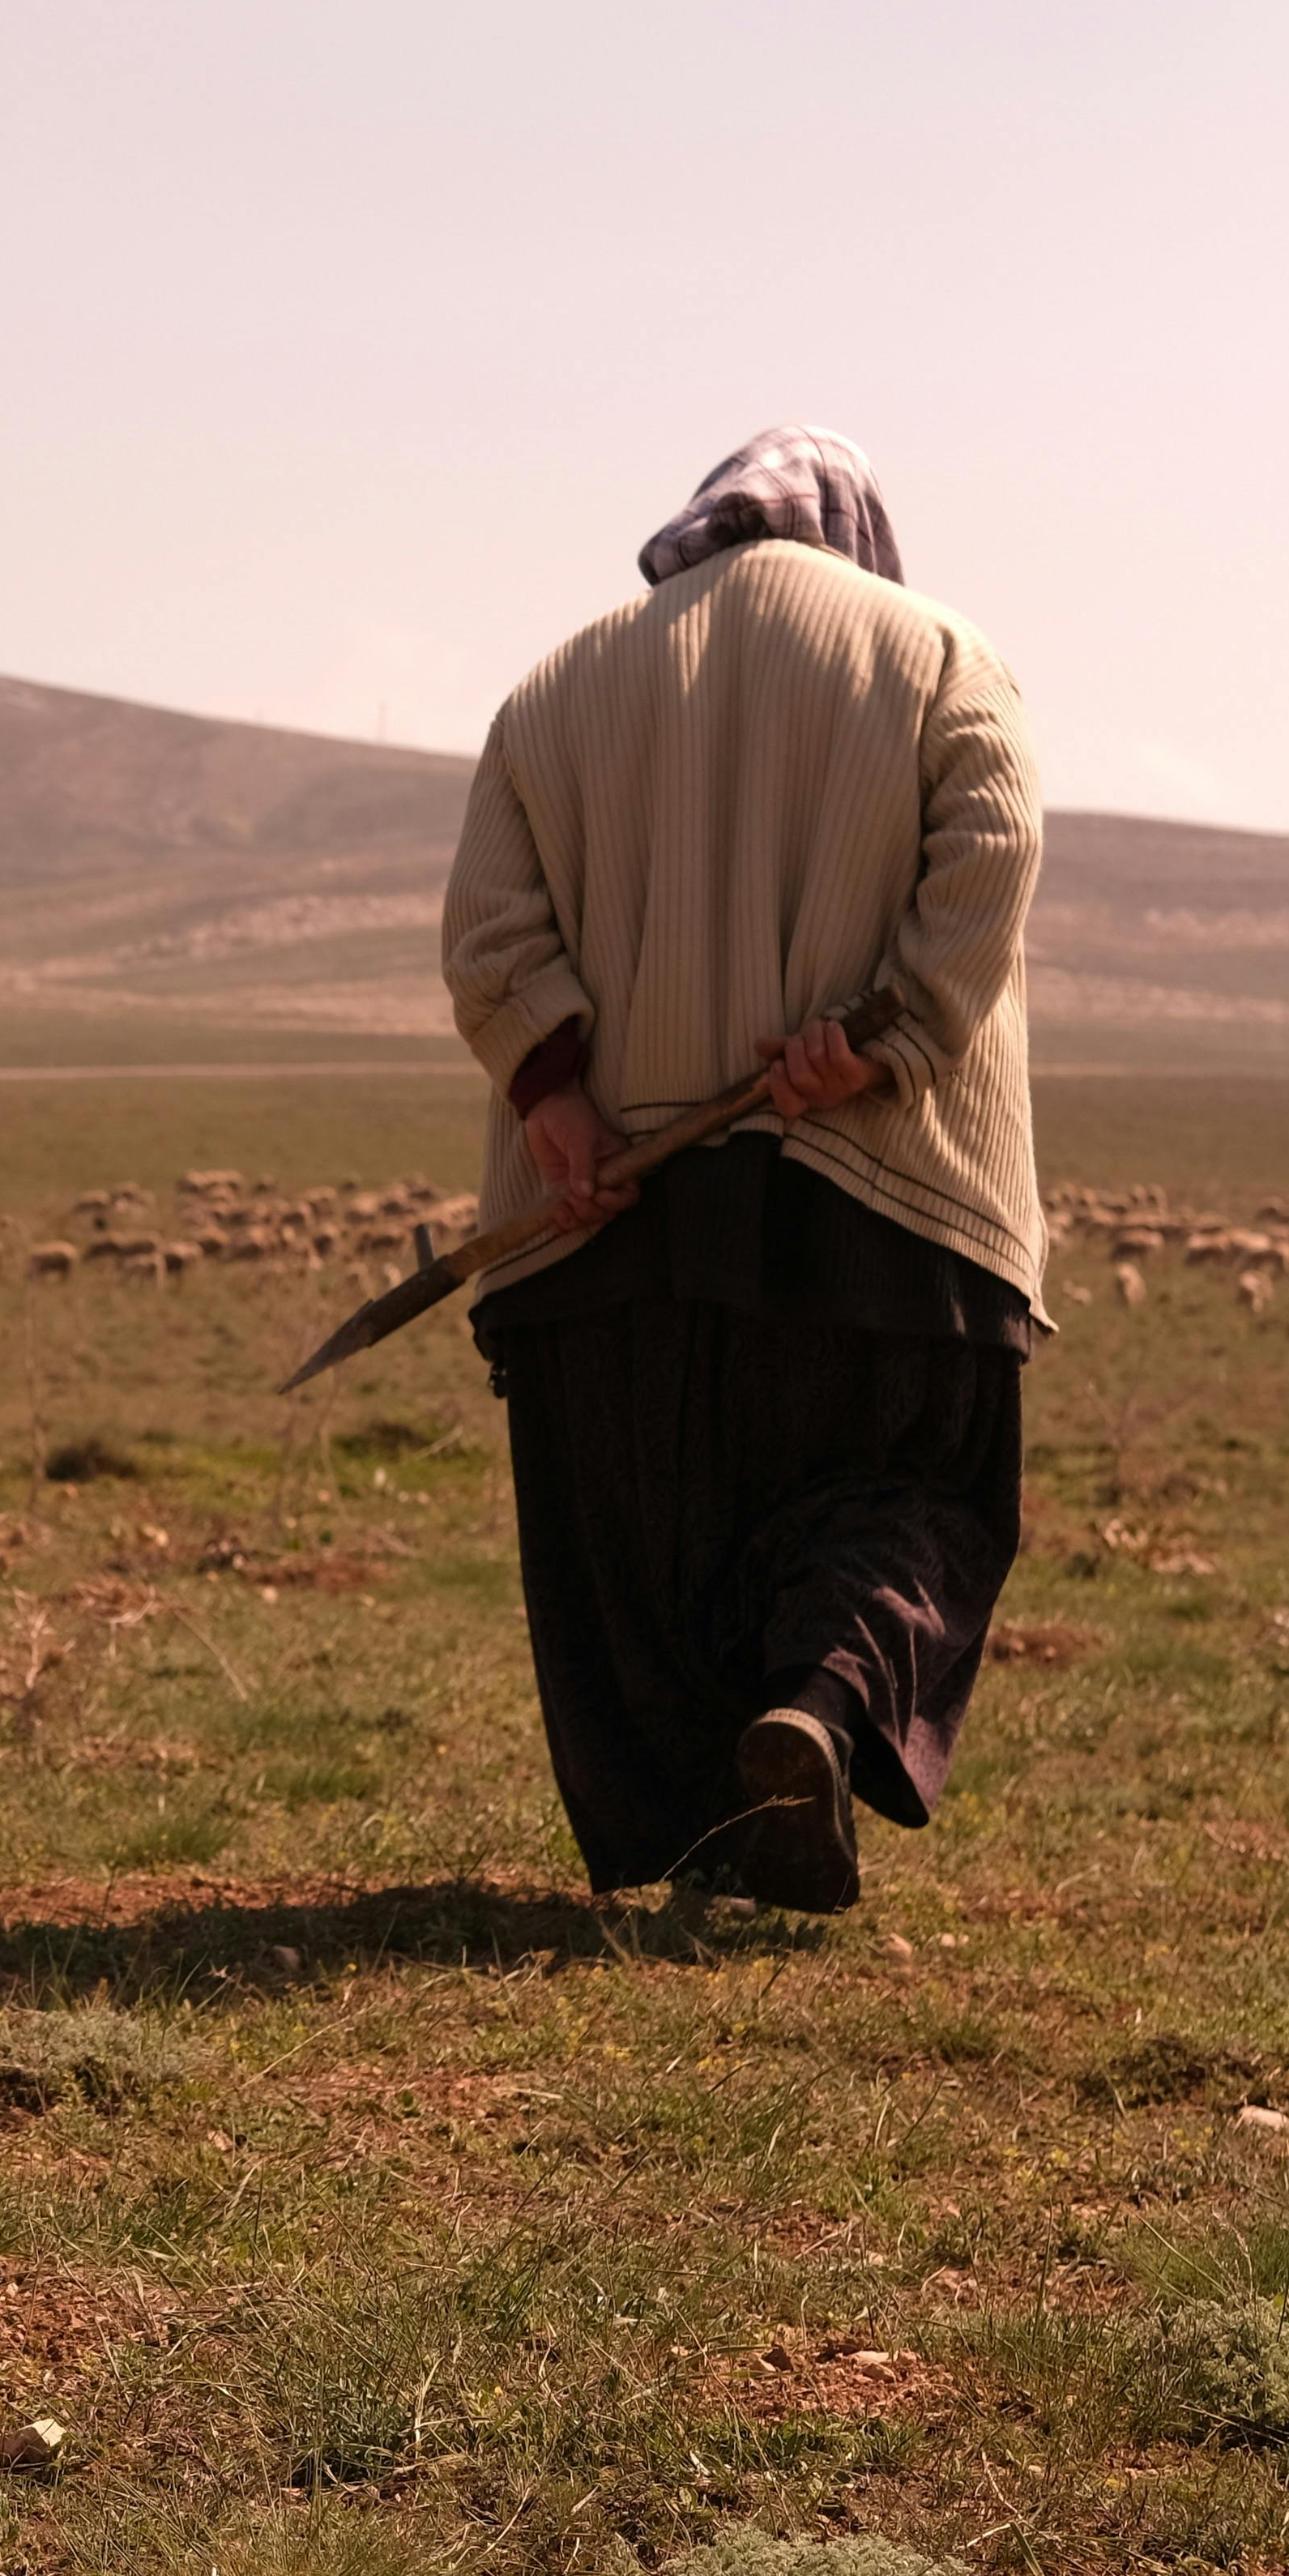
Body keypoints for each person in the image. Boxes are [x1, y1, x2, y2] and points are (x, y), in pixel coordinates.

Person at [437, 425, 1039, 1915]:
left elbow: (490, 928)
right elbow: (995, 843)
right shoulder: (939, 653)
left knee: (647, 1537)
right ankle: (820, 1714)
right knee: (908, 1496)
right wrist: (880, 1037)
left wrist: (553, 1093)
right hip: (878, 1198)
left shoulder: (557, 684)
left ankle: (710, 1831)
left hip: (614, 1213)